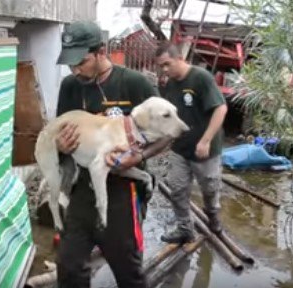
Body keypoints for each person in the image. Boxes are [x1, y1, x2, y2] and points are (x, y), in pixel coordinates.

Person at [54, 20, 171, 288]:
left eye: (81, 61)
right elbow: (60, 131)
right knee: (69, 267)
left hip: (122, 187)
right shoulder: (70, 87)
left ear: (101, 51)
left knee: (127, 268)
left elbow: (167, 134)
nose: (75, 69)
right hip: (82, 188)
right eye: (70, 63)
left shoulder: (134, 84)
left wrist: (138, 157)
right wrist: (60, 146)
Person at [155, 42, 228, 244]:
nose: (165, 70)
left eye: (167, 64)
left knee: (209, 190)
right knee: (177, 189)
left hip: (206, 150)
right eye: (161, 66)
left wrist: (205, 141)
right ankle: (185, 228)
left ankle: (213, 218)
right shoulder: (168, 84)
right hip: (180, 148)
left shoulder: (201, 78)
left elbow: (220, 109)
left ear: (180, 58)